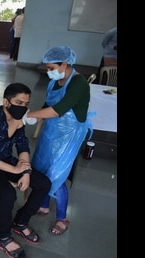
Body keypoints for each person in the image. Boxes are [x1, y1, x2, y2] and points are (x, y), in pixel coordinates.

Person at [0, 83, 51, 258]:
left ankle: (20, 222)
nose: (22, 107)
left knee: (44, 183)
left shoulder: (18, 121)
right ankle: (3, 236)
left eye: (26, 103)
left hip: (5, 160)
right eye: (18, 102)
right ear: (6, 102)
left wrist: (26, 171)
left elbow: (22, 145)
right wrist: (15, 170)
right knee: (8, 193)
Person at [26, 46, 93, 236]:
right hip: (51, 131)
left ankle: (62, 217)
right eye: (47, 68)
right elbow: (49, 104)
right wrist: (37, 116)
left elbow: (58, 110)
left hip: (69, 135)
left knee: (57, 174)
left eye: (51, 68)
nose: (49, 72)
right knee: (42, 168)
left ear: (64, 64)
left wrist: (29, 115)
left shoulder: (79, 83)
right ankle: (45, 205)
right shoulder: (55, 81)